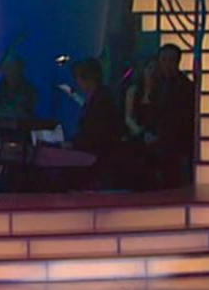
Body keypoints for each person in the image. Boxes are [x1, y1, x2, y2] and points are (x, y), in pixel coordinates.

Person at [62, 57, 124, 189]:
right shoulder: (97, 98)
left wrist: (74, 143)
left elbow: (96, 132)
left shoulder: (102, 100)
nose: (78, 83)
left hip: (101, 157)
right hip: (97, 153)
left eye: (79, 78)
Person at [152, 43, 196, 188]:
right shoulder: (154, 83)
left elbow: (186, 117)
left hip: (178, 141)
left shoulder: (186, 86)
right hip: (156, 138)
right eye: (163, 60)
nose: (167, 64)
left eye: (171, 60)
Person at [123, 59, 160, 190]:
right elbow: (128, 118)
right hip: (137, 134)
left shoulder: (161, 91)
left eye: (155, 68)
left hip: (157, 135)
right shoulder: (133, 91)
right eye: (149, 68)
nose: (152, 72)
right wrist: (140, 132)